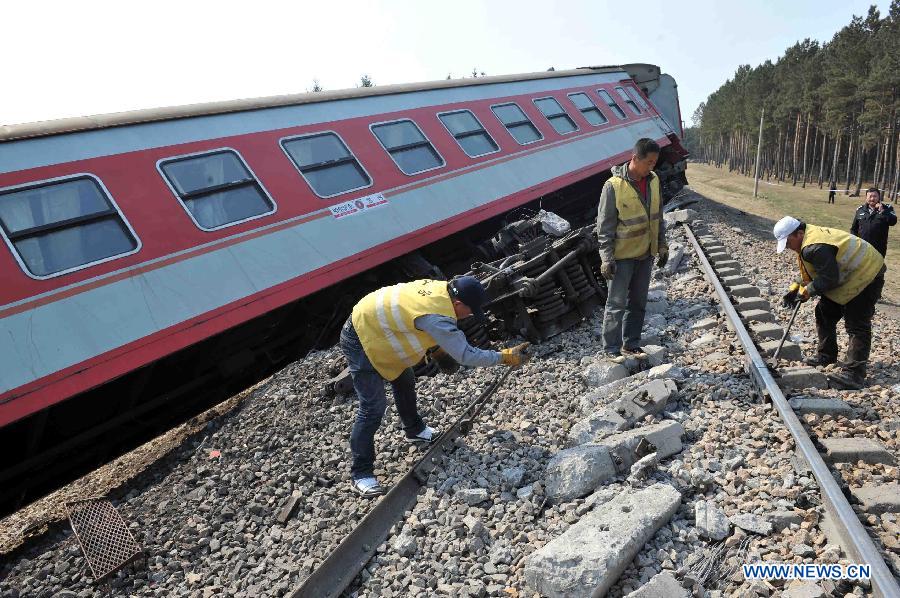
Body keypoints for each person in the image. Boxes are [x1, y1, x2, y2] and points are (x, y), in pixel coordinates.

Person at [340, 277, 530, 497]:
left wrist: (437, 350)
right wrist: (505, 357)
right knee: (373, 406)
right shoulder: (437, 317)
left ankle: (415, 431)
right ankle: (360, 474)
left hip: (379, 329)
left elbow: (411, 318)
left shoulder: (441, 291)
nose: (470, 315)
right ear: (458, 304)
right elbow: (466, 355)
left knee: (405, 379)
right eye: (470, 310)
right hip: (360, 336)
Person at [773, 216, 886, 390]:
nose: (787, 247)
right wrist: (797, 285)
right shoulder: (809, 240)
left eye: (788, 242)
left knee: (857, 323)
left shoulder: (814, 247)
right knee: (824, 311)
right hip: (849, 274)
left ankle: (854, 375)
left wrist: (809, 291)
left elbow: (829, 278)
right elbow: (819, 268)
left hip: (868, 272)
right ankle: (827, 355)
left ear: (799, 233)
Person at [596, 138, 669, 361]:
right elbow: (605, 227)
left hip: (645, 254)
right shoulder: (613, 186)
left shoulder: (654, 180)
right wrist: (606, 258)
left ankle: (632, 344)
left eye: (654, 162)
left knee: (638, 302)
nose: (652, 167)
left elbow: (658, 216)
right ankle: (610, 349)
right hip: (622, 257)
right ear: (634, 158)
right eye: (648, 162)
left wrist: (662, 245)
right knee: (616, 304)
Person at [850, 188, 896, 257]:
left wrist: (883, 211)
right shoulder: (860, 210)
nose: (872, 199)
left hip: (878, 249)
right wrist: (855, 242)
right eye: (870, 196)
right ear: (866, 198)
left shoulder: (887, 208)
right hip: (862, 247)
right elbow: (854, 229)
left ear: (879, 197)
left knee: (876, 267)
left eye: (875, 196)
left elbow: (893, 222)